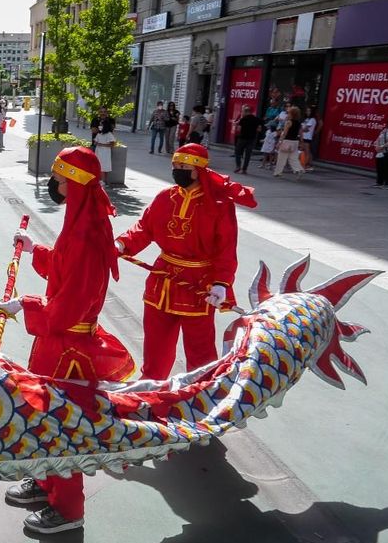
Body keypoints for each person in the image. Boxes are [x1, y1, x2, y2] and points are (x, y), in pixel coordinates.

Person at [0, 147, 133, 535]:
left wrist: (24, 305)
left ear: (72, 186)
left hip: (68, 347)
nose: (53, 186)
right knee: (44, 420)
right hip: (56, 345)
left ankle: (68, 509)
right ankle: (45, 484)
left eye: (58, 180)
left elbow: (68, 307)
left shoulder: (89, 235)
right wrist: (33, 249)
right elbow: (62, 265)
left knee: (62, 427)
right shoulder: (79, 222)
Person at [117, 143, 257, 379]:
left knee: (200, 350)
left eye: (184, 166)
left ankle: (201, 394)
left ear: (198, 170)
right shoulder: (165, 197)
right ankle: (152, 387)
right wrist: (121, 244)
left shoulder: (219, 205)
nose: (177, 170)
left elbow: (226, 247)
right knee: (155, 345)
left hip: (200, 284)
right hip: (162, 281)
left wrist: (222, 282)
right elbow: (143, 229)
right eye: (175, 166)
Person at [273, 106, 305, 178]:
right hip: (295, 142)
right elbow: (301, 133)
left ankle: (278, 172)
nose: (287, 114)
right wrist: (302, 142)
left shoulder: (288, 122)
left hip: (287, 141)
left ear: (291, 114)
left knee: (282, 158)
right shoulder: (299, 123)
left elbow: (284, 133)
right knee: (293, 158)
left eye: (289, 113)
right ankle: (299, 170)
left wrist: (279, 142)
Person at [233, 105, 263, 174]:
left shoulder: (243, 119)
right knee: (248, 155)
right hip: (251, 139)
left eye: (242, 112)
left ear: (245, 112)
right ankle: (244, 169)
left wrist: (237, 125)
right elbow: (259, 129)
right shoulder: (256, 119)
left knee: (238, 152)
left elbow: (239, 129)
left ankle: (238, 166)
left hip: (242, 138)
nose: (242, 113)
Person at [90, 109, 117, 182]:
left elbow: (112, 141)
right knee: (97, 165)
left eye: (104, 112)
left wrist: (101, 144)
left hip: (105, 152)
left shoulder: (110, 122)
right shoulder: (95, 120)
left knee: (104, 167)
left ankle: (103, 182)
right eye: (101, 112)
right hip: (98, 150)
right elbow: (94, 131)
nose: (103, 113)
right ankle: (98, 181)